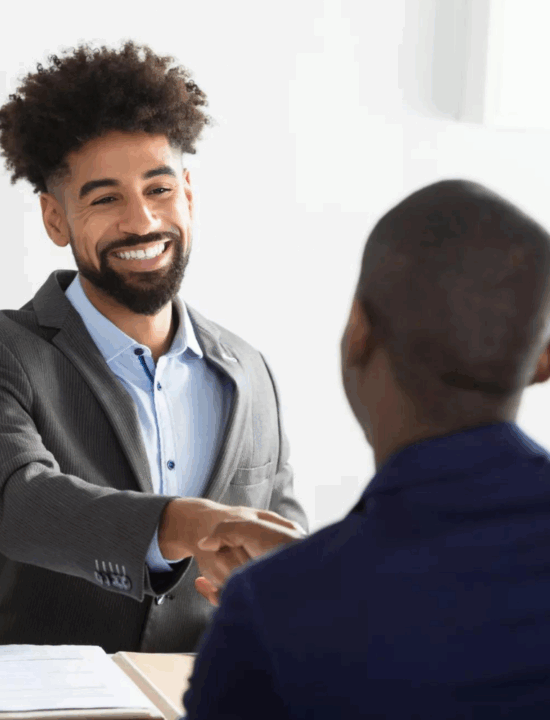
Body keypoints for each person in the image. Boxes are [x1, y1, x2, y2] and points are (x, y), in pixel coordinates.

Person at [0, 41, 308, 654]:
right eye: (105, 199)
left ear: (188, 192)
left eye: (158, 189)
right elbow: (19, 504)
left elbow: (284, 552)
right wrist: (191, 522)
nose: (141, 221)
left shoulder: (249, 370)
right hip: (46, 702)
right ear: (56, 220)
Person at [183, 179, 550, 718]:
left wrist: (292, 590)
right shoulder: (286, 603)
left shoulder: (274, 615)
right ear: (543, 363)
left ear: (358, 332)